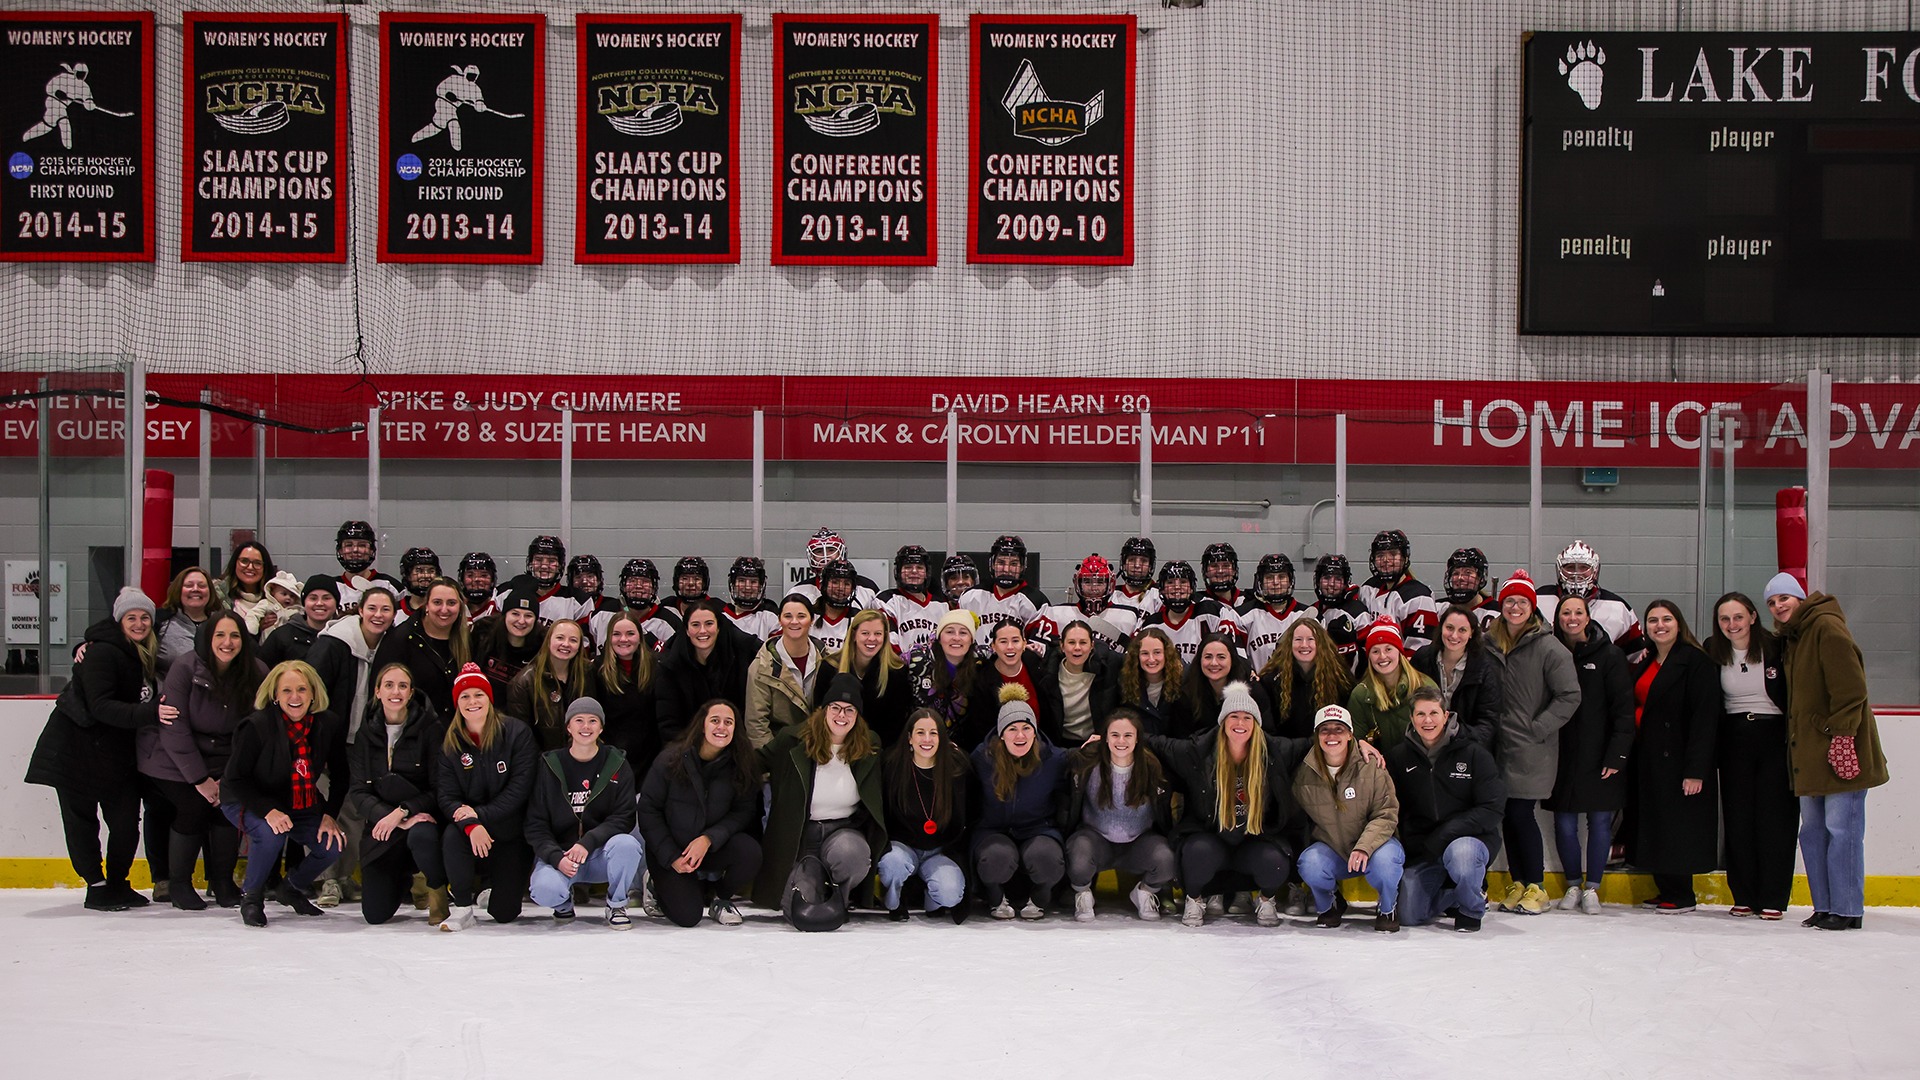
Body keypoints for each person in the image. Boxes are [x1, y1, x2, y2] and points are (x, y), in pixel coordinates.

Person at [1146, 682, 1350, 927]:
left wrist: (1359, 744)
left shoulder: (1275, 751)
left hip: (1255, 839)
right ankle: (1195, 899)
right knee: (1195, 854)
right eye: (1234, 716)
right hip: (1212, 837)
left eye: (1247, 717)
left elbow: (1315, 743)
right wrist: (1111, 735)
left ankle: (1266, 900)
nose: (1240, 723)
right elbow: (1156, 743)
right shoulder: (1198, 751)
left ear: (1256, 723)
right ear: (1223, 721)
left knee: (1275, 862)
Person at [26, 588, 164, 911]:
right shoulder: (102, 653)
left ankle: (118, 882)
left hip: (114, 754)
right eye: (131, 617)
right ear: (119, 621)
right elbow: (101, 706)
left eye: (145, 617)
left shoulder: (141, 652)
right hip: (75, 750)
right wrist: (151, 713)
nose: (140, 623)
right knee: (82, 822)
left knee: (127, 822)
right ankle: (97, 886)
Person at [1766, 573, 1889, 932]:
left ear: (1800, 598)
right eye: (1772, 602)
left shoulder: (1826, 628)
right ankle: (1825, 906)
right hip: (1809, 752)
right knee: (1814, 831)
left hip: (1839, 749)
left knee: (1842, 829)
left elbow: (1852, 689)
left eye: (1784, 598)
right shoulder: (1795, 637)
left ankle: (1848, 908)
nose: (1778, 606)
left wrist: (1839, 735)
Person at [140, 613, 263, 910]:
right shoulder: (185, 667)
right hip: (172, 758)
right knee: (193, 807)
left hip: (224, 759)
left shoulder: (256, 671)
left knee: (227, 807)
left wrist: (230, 776)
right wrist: (199, 779)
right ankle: (179, 883)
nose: (227, 642)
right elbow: (174, 727)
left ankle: (221, 882)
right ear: (208, 639)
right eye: (220, 635)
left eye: (234, 636)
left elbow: (255, 729)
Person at [220, 660, 350, 927]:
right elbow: (235, 778)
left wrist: (329, 815)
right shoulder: (256, 726)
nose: (295, 697)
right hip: (249, 799)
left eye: (302, 689)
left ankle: (290, 887)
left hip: (299, 801)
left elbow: (341, 775)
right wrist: (268, 811)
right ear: (275, 696)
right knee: (271, 834)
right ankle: (252, 898)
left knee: (332, 844)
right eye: (287, 691)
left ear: (313, 693)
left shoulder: (328, 724)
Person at [752, 673, 888, 921]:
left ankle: (840, 897)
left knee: (854, 855)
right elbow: (754, 764)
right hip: (801, 837)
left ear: (857, 716)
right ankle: (814, 882)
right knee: (800, 910)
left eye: (849, 710)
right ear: (824, 710)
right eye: (835, 708)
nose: (841, 715)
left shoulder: (870, 745)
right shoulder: (793, 740)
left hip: (842, 831)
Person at [1486, 570, 1580, 916]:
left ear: (1532, 607)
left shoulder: (1549, 647)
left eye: (1521, 602)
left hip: (1530, 747)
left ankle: (1537, 885)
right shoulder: (1489, 642)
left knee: (1521, 814)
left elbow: (1569, 695)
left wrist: (1538, 728)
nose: (1514, 607)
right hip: (1497, 746)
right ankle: (1519, 882)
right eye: (1509, 600)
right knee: (1507, 816)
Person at [1703, 591, 1795, 920]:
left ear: (1753, 617)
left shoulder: (1776, 647)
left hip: (1773, 738)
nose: (1732, 624)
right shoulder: (1712, 650)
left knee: (1774, 820)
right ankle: (1743, 894)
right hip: (1733, 740)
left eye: (1738, 617)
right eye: (1725, 619)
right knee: (1739, 820)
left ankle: (1773, 896)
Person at [1629, 599, 1722, 914]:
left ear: (1679, 624)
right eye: (1653, 620)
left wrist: (1696, 770)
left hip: (1679, 758)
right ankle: (1665, 887)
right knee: (1657, 823)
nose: (1660, 626)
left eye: (1666, 619)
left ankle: (1681, 893)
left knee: (1676, 826)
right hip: (1649, 756)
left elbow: (1704, 719)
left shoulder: (1696, 662)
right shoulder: (1648, 660)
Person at [1386, 686, 1505, 931]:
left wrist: (1446, 834)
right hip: (1425, 849)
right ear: (1412, 718)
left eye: (1433, 713)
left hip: (1468, 841)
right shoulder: (1399, 757)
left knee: (1462, 856)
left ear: (1446, 715)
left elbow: (1491, 809)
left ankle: (1470, 908)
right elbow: (1395, 808)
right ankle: (1454, 893)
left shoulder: (1474, 754)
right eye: (1420, 714)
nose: (1427, 720)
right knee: (1408, 914)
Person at [1545, 594, 1635, 914]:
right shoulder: (1549, 653)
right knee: (1565, 825)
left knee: (1599, 823)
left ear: (1588, 617)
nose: (1572, 618)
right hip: (1560, 756)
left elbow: (1623, 711)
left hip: (1599, 756)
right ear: (1558, 618)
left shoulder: (1610, 656)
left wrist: (1616, 756)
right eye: (1566, 612)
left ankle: (1593, 887)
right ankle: (1572, 884)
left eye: (1578, 612)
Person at [637, 699, 763, 927]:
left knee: (750, 852)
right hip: (671, 850)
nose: (721, 727)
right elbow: (648, 810)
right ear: (702, 725)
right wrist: (671, 856)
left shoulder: (741, 765)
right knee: (688, 917)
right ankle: (655, 884)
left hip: (708, 848)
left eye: (728, 722)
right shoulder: (671, 759)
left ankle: (721, 899)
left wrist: (708, 839)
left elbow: (743, 812)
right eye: (715, 721)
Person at [436, 663, 539, 931]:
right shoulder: (450, 743)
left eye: (478, 694)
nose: (473, 702)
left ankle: (493, 890)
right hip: (470, 830)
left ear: (489, 698)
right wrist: (471, 825)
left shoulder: (516, 733)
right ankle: (461, 906)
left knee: (504, 913)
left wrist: (479, 815)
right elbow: (447, 796)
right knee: (451, 834)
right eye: (465, 696)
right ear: (457, 702)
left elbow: (520, 789)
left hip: (510, 831)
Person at [347, 663, 450, 926]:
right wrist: (391, 817)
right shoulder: (365, 733)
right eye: (389, 685)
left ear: (411, 692)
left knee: (422, 834)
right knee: (375, 914)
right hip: (384, 826)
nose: (396, 692)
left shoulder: (430, 728)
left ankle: (436, 889)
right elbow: (359, 791)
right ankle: (408, 878)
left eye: (403, 686)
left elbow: (438, 787)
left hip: (419, 818)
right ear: (378, 692)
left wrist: (404, 811)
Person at [525, 698, 641, 929]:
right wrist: (556, 858)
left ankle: (616, 904)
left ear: (601, 728)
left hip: (600, 854)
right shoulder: (549, 765)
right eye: (579, 720)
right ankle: (563, 904)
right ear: (568, 727)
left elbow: (624, 815)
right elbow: (535, 824)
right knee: (543, 890)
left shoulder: (616, 762)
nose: (585, 727)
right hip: (562, 856)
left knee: (627, 845)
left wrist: (588, 842)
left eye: (592, 721)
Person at [1293, 703, 1405, 932]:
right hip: (1335, 849)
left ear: (1350, 734)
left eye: (1339, 729)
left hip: (1376, 848)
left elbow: (1386, 814)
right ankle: (1330, 905)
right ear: (1316, 735)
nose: (1332, 735)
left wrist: (1364, 847)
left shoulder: (1371, 765)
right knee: (1309, 863)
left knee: (1386, 865)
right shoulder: (1305, 773)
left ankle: (1387, 907)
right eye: (1325, 729)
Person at [1063, 708, 1174, 921]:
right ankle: (1084, 895)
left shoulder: (1152, 766)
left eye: (1127, 735)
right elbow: (1058, 759)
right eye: (1114, 735)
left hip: (1139, 842)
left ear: (1138, 738)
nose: (1120, 741)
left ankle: (1144, 893)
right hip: (1096, 840)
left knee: (1166, 859)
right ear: (1105, 738)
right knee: (1078, 856)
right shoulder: (1088, 762)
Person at [971, 685, 1069, 920]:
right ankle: (996, 897)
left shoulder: (1053, 760)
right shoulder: (983, 758)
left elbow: (1077, 763)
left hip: (1038, 829)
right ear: (1001, 733)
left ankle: (1039, 898)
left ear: (1035, 732)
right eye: (1012, 729)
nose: (1020, 735)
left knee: (1047, 859)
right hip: (993, 830)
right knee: (996, 857)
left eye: (1026, 728)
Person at [878, 707, 973, 921]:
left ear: (942, 738)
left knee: (950, 893)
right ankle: (895, 901)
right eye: (920, 732)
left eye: (933, 733)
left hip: (940, 851)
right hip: (903, 847)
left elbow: (971, 812)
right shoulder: (892, 766)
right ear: (909, 738)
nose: (927, 739)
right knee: (891, 865)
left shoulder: (957, 768)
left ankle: (931, 900)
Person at [306, 584, 397, 752]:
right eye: (372, 608)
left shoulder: (394, 646)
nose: (378, 615)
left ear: (394, 615)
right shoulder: (333, 643)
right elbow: (312, 689)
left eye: (385, 609)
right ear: (361, 611)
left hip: (371, 741)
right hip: (332, 739)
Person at [654, 598, 757, 744]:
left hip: (732, 745)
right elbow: (669, 725)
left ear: (718, 627)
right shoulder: (670, 667)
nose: (702, 631)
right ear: (687, 630)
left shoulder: (738, 659)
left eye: (709, 624)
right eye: (695, 625)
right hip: (686, 749)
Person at [372, 577, 471, 720]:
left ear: (461, 606)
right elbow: (379, 696)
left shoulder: (466, 640)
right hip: (413, 734)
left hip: (453, 733)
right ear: (426, 605)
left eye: (451, 603)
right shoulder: (401, 639)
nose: (444, 609)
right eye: (437, 602)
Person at [1536, 540, 1647, 664]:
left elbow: (1635, 658)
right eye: (1570, 567)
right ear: (1560, 569)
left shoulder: (1619, 607)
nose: (1576, 574)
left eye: (1584, 567)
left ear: (1594, 570)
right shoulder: (1538, 599)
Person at [1410, 605, 1503, 749]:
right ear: (1441, 628)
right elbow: (1410, 705)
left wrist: (1456, 739)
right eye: (1449, 628)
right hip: (1424, 744)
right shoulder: (1422, 658)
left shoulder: (1485, 667)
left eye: (1462, 630)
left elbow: (1488, 723)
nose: (1454, 636)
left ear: (1471, 633)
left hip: (1466, 748)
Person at [814, 608, 911, 744]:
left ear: (885, 637)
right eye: (865, 633)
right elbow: (819, 712)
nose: (871, 639)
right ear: (854, 635)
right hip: (834, 745)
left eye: (877, 634)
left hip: (879, 750)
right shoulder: (830, 667)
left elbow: (896, 723)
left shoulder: (897, 671)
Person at [746, 594, 821, 748]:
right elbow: (757, 725)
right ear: (780, 620)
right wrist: (772, 765)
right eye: (788, 616)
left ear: (811, 620)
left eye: (801, 616)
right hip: (780, 750)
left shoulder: (828, 660)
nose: (794, 622)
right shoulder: (761, 666)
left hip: (820, 747)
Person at [1257, 618, 1352, 740]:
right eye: (1298, 639)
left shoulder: (1339, 677)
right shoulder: (1271, 679)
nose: (1304, 645)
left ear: (1320, 643)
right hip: (1285, 751)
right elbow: (1268, 728)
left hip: (1324, 749)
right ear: (1289, 643)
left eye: (1310, 639)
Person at [971, 620, 1058, 751]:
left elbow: (1049, 716)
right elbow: (983, 731)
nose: (1010, 647)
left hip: (1041, 750)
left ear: (1024, 643)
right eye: (1003, 641)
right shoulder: (982, 680)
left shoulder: (1035, 664)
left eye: (1015, 641)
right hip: (999, 755)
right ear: (993, 646)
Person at [1345, 622, 1436, 748]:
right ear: (1369, 657)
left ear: (1399, 652)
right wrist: (1360, 744)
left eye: (1388, 649)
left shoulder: (1424, 686)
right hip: (1379, 764)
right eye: (1375, 651)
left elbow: (1440, 731)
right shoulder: (1360, 695)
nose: (1382, 656)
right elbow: (1355, 739)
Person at [1029, 554, 1141, 655]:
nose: (1093, 588)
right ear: (1077, 583)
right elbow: (1037, 651)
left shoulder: (1129, 616)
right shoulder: (1055, 614)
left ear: (1110, 584)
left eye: (1100, 582)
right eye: (1087, 582)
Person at [506, 618, 590, 751]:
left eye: (573, 640)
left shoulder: (588, 674)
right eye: (560, 638)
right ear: (548, 641)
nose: (566, 644)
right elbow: (522, 738)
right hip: (544, 762)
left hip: (583, 757)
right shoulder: (523, 683)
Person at [592, 610, 659, 769]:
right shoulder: (596, 669)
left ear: (640, 637)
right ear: (609, 637)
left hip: (649, 757)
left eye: (630, 633)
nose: (623, 639)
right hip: (610, 756)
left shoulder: (656, 667)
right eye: (616, 634)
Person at [1140, 560, 1241, 664]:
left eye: (1183, 582)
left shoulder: (1213, 612)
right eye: (1170, 582)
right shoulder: (1151, 624)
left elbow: (1236, 657)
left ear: (1192, 588)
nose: (1177, 587)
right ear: (1162, 590)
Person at [907, 609, 985, 744]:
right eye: (949, 631)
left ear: (971, 639)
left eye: (963, 632)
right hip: (920, 741)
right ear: (939, 636)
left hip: (962, 745)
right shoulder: (916, 659)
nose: (956, 637)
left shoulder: (982, 661)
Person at [1038, 621, 1120, 747]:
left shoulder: (1108, 667)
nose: (1077, 648)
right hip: (1059, 744)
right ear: (1062, 646)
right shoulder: (1048, 673)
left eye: (1083, 642)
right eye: (1071, 642)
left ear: (1092, 645)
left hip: (1097, 742)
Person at [1357, 529, 1438, 653]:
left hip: (1403, 669)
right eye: (1380, 555)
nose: (1386, 560)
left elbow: (1419, 653)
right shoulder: (1368, 588)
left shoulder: (1418, 596)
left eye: (1393, 554)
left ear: (1405, 558)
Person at [959, 534, 1051, 641]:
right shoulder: (970, 597)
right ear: (992, 564)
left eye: (1013, 563)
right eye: (1001, 563)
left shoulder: (1036, 602)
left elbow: (1039, 647)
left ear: (1022, 567)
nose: (1006, 569)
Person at [1184, 631, 1268, 734]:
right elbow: (1181, 740)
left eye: (1221, 657)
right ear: (1199, 660)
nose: (1214, 663)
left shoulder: (1253, 691)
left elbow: (1267, 735)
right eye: (1208, 657)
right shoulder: (1187, 692)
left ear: (1232, 660)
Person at [1239, 553, 1310, 673]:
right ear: (1260, 581)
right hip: (1258, 688)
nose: (1276, 582)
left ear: (1290, 581)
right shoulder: (1243, 616)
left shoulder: (1309, 616)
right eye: (1269, 577)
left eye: (1281, 577)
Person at [495, 535, 588, 624]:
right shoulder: (506, 593)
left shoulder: (578, 601)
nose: (544, 566)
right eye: (538, 560)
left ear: (560, 565)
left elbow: (582, 639)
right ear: (530, 563)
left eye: (551, 561)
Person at [877, 545, 949, 656]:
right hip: (898, 670)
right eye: (908, 567)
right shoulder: (887, 601)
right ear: (898, 572)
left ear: (926, 573)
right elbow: (886, 641)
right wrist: (904, 662)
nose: (914, 571)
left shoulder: (942, 606)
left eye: (919, 567)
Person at [473, 586, 543, 699]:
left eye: (528, 616)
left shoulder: (542, 646)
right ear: (505, 615)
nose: (521, 621)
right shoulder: (484, 636)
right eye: (515, 614)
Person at [257, 575, 339, 668]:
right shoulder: (281, 636)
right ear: (304, 602)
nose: (319, 603)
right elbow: (261, 672)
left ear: (336, 603)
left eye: (326, 598)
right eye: (313, 598)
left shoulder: (343, 637)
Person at [1116, 626, 1185, 735]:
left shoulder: (1183, 681)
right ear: (1136, 656)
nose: (1151, 659)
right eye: (1145, 653)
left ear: (1167, 654)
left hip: (1174, 748)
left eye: (1157, 652)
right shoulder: (1125, 682)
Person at [155, 566, 225, 673]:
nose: (195, 589)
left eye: (202, 586)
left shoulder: (222, 623)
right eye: (189, 585)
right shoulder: (160, 622)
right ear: (178, 590)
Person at [1310, 553, 1371, 675]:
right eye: (1327, 578)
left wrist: (1348, 649)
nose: (1332, 584)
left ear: (1345, 583)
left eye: (1338, 579)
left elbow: (1369, 655)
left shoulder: (1357, 612)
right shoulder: (1312, 611)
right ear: (1318, 581)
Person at [331, 520, 402, 614]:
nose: (355, 550)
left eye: (362, 545)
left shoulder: (391, 586)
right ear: (340, 551)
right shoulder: (331, 586)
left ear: (371, 550)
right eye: (349, 545)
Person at [216, 541, 278, 634]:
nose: (250, 567)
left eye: (257, 563)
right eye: (244, 561)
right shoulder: (219, 595)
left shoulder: (277, 596)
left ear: (265, 568)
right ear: (235, 563)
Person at [809, 560, 864, 656]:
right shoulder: (809, 615)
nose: (840, 588)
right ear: (824, 585)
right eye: (835, 582)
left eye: (847, 584)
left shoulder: (859, 619)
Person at [722, 556, 779, 642]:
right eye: (741, 581)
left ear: (760, 586)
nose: (747, 587)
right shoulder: (720, 617)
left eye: (753, 582)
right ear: (733, 583)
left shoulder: (769, 619)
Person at [1441, 547, 1500, 627]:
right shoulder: (1437, 608)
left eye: (1468, 573)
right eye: (1455, 573)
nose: (1460, 578)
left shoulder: (1498, 612)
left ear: (1480, 578)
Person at [1114, 536, 1162, 616]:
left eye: (1143, 561)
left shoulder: (1158, 595)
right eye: (1132, 560)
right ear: (1124, 564)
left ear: (1150, 567)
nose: (1137, 565)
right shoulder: (1112, 594)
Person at [393, 547, 442, 624]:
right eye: (419, 570)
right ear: (408, 575)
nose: (426, 576)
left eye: (431, 571)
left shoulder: (444, 609)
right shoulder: (394, 609)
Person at [1200, 542, 1246, 609]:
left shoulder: (1248, 600)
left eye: (1226, 565)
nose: (1220, 571)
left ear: (1234, 570)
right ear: (1206, 571)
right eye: (1214, 566)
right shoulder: (1197, 603)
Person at [458, 552, 499, 622]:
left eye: (484, 575)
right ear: (462, 579)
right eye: (470, 575)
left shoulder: (500, 607)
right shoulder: (455, 608)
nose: (477, 579)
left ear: (492, 580)